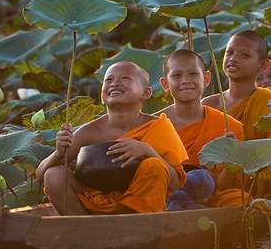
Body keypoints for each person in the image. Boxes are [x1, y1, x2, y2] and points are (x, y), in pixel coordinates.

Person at [35, 61, 188, 215]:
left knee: (155, 165)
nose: (114, 83)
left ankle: (143, 231)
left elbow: (175, 183)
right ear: (102, 95)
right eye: (108, 80)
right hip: (94, 205)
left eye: (125, 78)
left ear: (146, 93)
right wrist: (59, 153)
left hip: (143, 210)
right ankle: (85, 231)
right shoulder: (90, 131)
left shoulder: (158, 127)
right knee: (53, 174)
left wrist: (147, 151)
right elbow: (41, 174)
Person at [157, 49, 247, 208]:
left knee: (240, 200)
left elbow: (224, 186)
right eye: (176, 76)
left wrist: (231, 157)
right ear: (165, 84)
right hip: (166, 194)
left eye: (193, 74)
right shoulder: (154, 124)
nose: (185, 80)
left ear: (206, 78)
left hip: (210, 197)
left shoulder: (228, 125)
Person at [202, 30, 271, 140]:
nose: (233, 59)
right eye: (229, 52)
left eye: (245, 55)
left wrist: (237, 151)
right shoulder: (207, 105)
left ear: (263, 65)